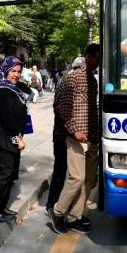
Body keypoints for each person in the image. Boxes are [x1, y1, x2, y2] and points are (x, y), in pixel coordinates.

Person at [50, 44, 101, 235]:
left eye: (99, 59)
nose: (97, 62)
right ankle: (57, 211)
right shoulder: (73, 77)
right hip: (75, 137)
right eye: (95, 58)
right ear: (87, 56)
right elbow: (61, 108)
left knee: (88, 180)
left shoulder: (93, 80)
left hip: (92, 136)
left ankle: (74, 217)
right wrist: (74, 130)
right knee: (76, 177)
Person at [0, 56, 28, 222]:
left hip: (7, 138)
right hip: (1, 138)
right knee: (4, 174)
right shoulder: (2, 89)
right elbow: (7, 118)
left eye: (19, 71)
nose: (16, 75)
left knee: (8, 174)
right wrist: (18, 139)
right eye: (13, 71)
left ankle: (1, 207)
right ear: (4, 70)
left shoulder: (11, 87)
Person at [45, 56, 86, 214]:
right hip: (63, 135)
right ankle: (52, 205)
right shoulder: (68, 82)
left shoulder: (70, 81)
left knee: (68, 173)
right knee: (62, 171)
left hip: (66, 135)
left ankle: (59, 205)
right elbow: (57, 108)